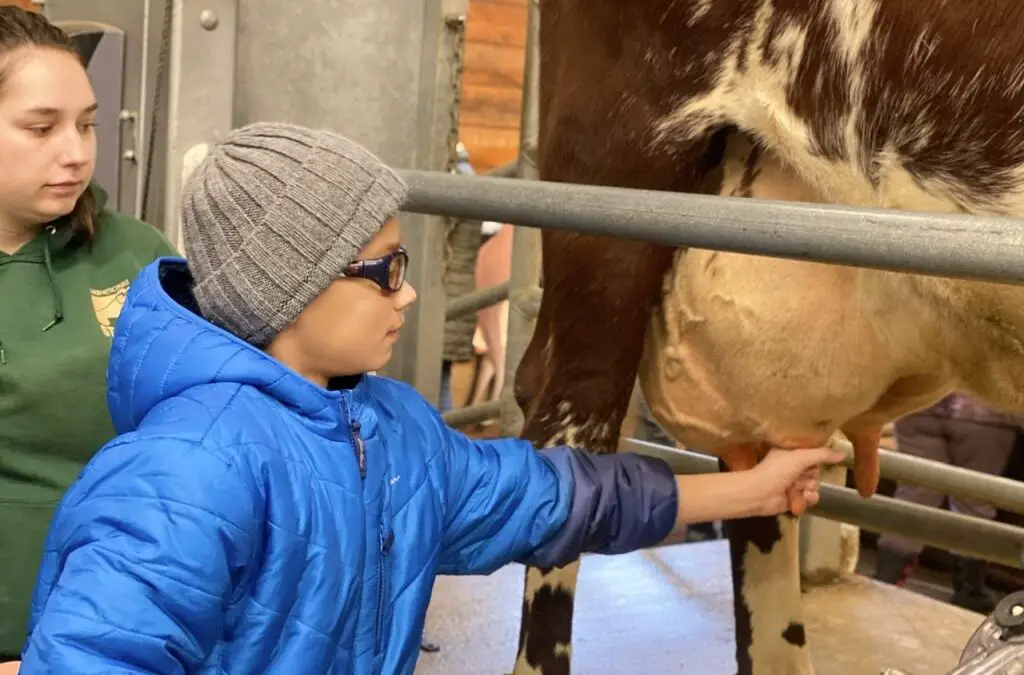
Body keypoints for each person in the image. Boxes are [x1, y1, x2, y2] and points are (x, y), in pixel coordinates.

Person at [12, 122, 843, 674]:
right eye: (385, 271)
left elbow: (555, 498)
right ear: (289, 290)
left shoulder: (392, 428)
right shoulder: (185, 472)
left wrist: (752, 490)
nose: (406, 296)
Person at [0, 6, 178, 664]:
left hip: (129, 633)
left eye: (87, 123)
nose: (76, 151)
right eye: (41, 127)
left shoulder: (138, 256)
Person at [875, 393, 1018, 613]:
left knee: (914, 495)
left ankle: (886, 579)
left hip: (918, 405)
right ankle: (969, 591)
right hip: (986, 413)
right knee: (974, 501)